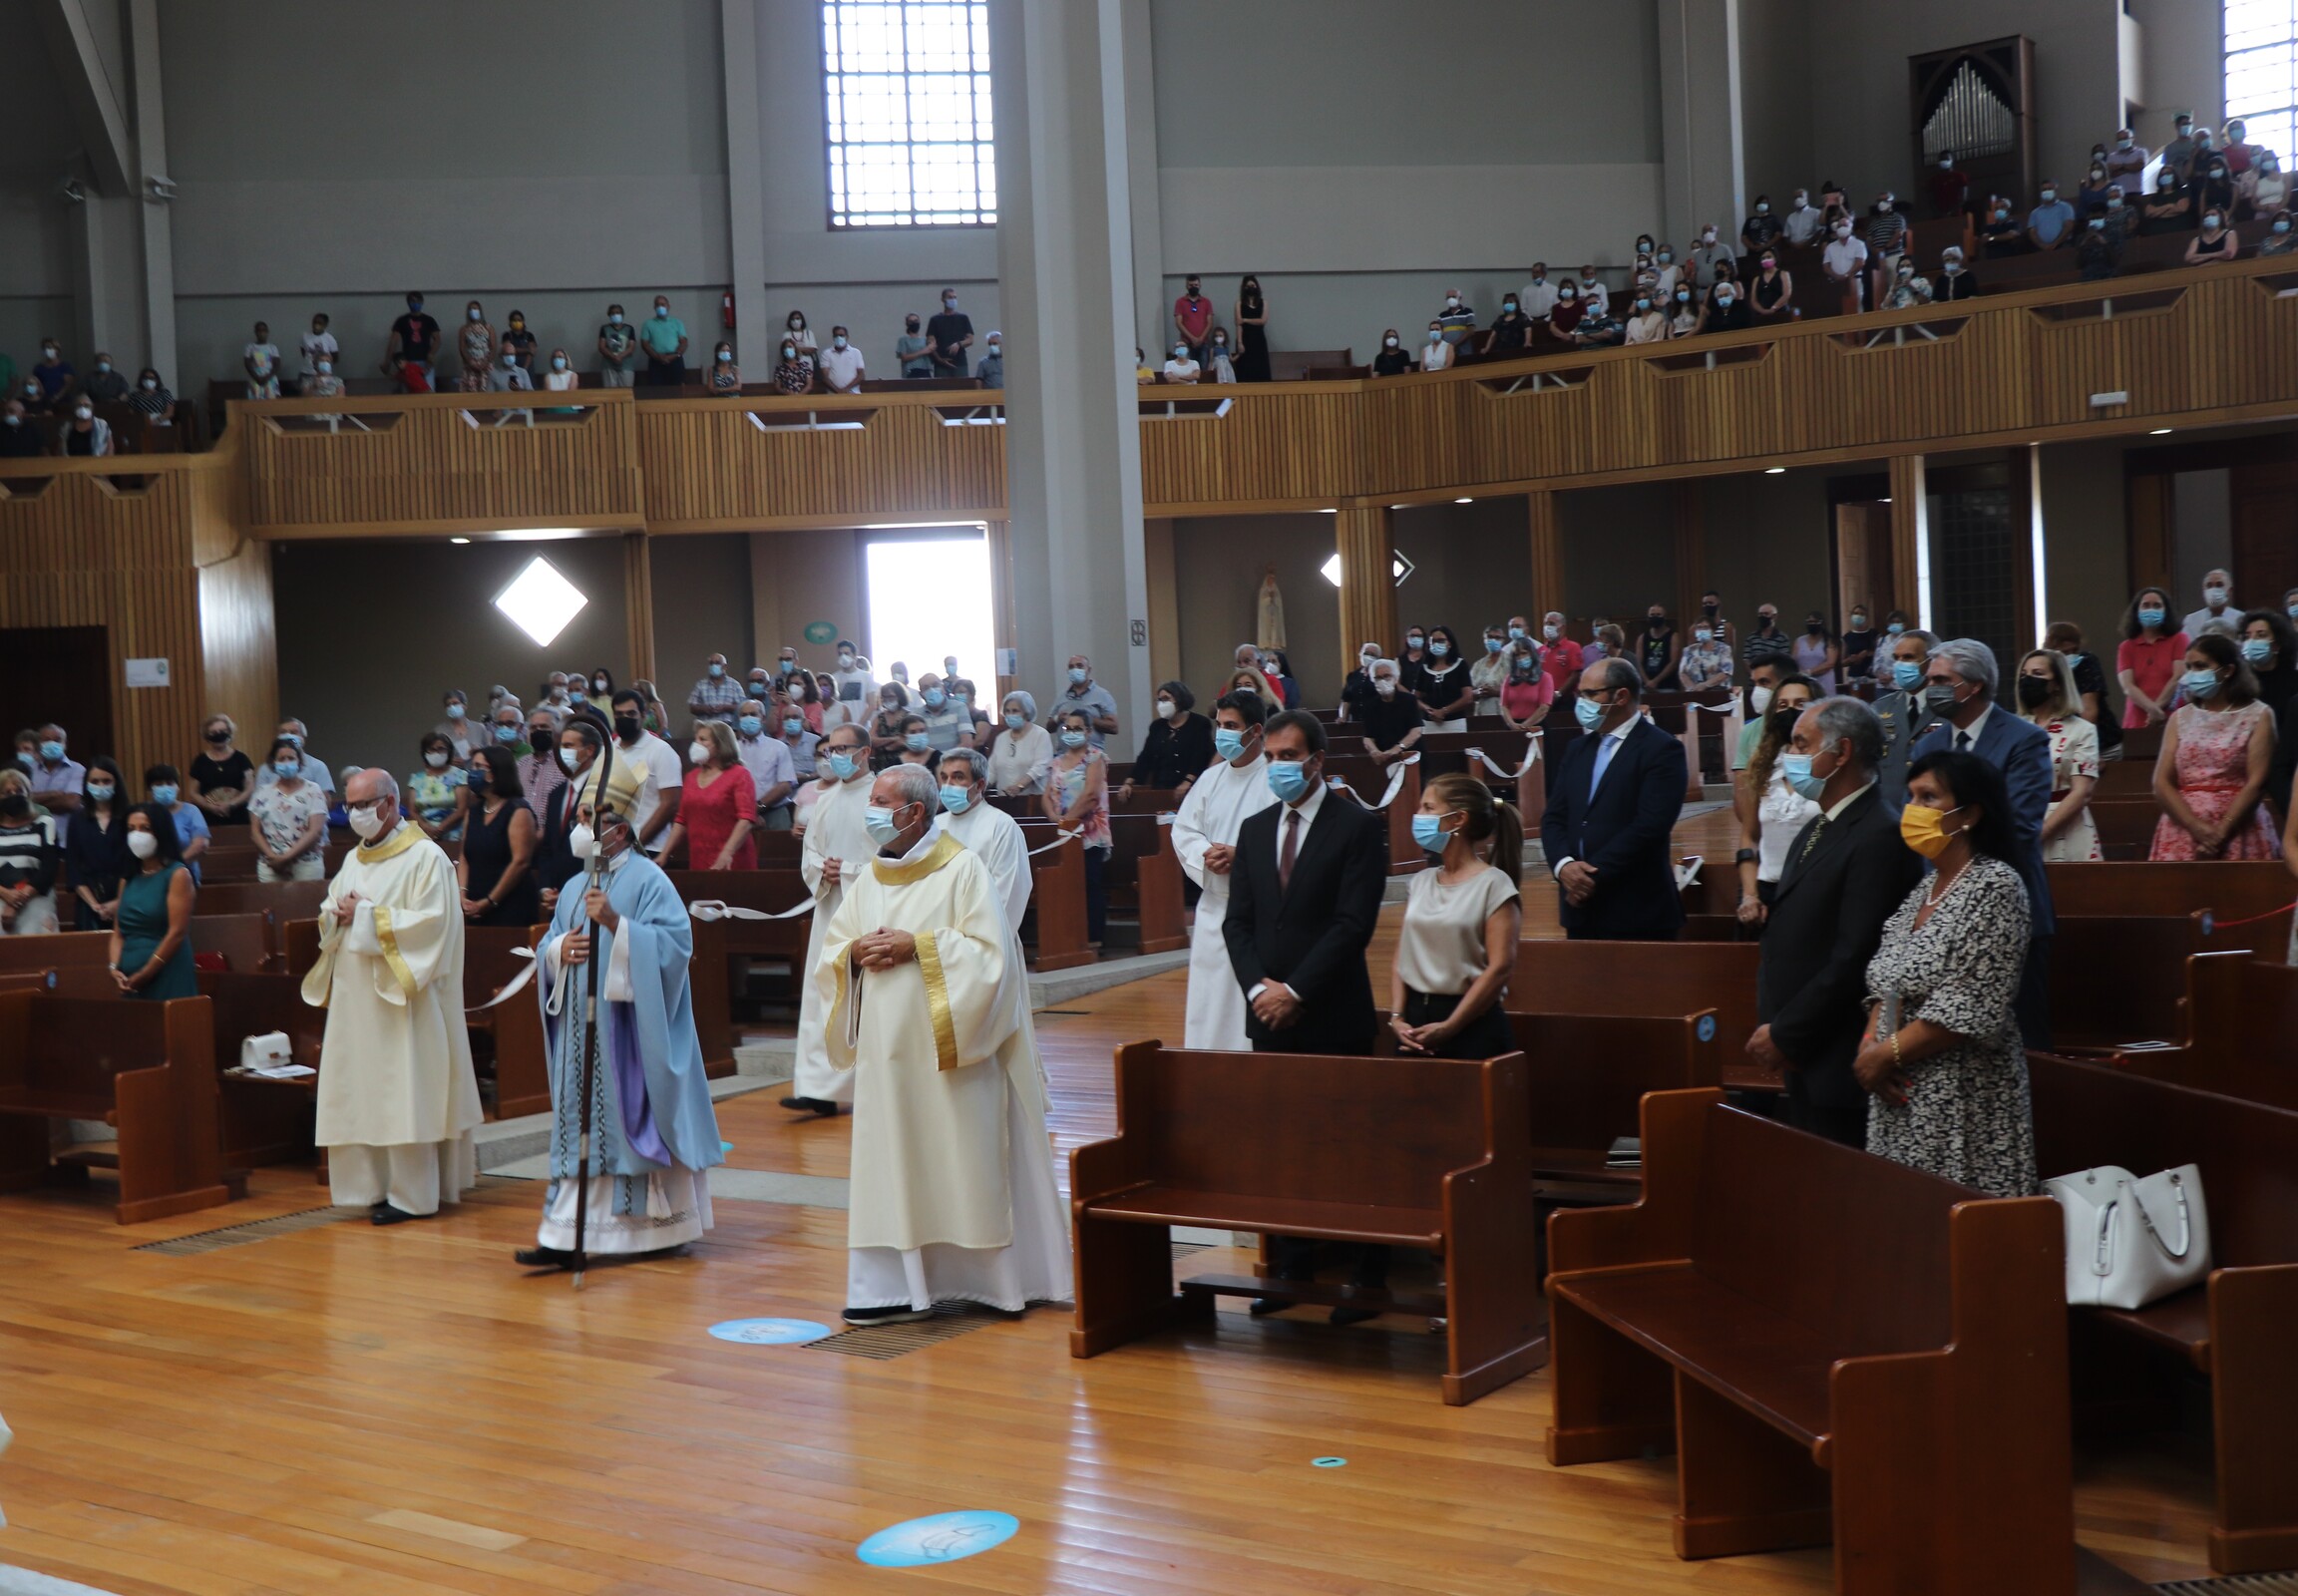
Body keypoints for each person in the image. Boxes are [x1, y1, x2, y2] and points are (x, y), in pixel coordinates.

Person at [817, 763, 1071, 1324]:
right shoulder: (871, 878)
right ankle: (888, 1288)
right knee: (893, 1164)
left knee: (959, 1158)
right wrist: (855, 955)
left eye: (882, 801)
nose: (872, 810)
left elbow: (993, 958)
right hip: (888, 1058)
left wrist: (920, 947)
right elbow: (834, 949)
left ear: (913, 813)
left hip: (949, 1056)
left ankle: (987, 1282)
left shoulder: (963, 870)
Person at [1220, 710, 1388, 1316]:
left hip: (1331, 1010)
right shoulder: (1257, 827)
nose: (1278, 767)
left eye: (1289, 757)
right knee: (1283, 1143)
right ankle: (1294, 1269)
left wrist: (1296, 991)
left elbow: (1353, 924)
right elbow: (1236, 923)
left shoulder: (1356, 828)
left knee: (1348, 1145)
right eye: (1271, 757)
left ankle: (1367, 1278)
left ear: (1318, 760)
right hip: (1266, 1015)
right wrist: (1257, 990)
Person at [519, 798, 724, 1269]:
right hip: (581, 1030)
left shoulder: (650, 880)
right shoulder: (574, 885)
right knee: (580, 1125)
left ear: (623, 829)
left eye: (593, 819)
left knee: (626, 1121)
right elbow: (552, 939)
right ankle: (563, 1233)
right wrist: (556, 951)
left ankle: (655, 1228)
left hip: (629, 1036)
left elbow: (675, 946)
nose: (582, 827)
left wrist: (617, 924)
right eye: (580, 819)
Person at [1738, 697, 1925, 1145]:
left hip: (1837, 1056)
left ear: (1841, 753)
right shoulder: (1820, 824)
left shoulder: (1879, 834)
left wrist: (1787, 1032)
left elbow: (1854, 957)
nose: (1790, 755)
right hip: (1803, 1052)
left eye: (1801, 744)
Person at [300, 770, 485, 1224]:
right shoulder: (354, 860)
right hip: (357, 998)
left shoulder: (427, 857)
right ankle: (371, 1187)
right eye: (351, 806)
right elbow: (331, 908)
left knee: (404, 1092)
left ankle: (412, 1195)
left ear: (391, 803)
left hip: (404, 1001)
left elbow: (433, 926)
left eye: (365, 805)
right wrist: (340, 915)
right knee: (362, 1092)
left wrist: (364, 916)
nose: (357, 814)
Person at [1855, 751, 2037, 1198]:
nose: (1912, 809)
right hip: (1900, 1092)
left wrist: (1884, 1056)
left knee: (1960, 1226)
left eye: (1929, 797)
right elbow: (1887, 979)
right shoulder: (1925, 889)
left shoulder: (1995, 886)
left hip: (1962, 1093)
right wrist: (1869, 1047)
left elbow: (1970, 1003)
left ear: (1970, 814)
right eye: (1910, 796)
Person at [1908, 639, 2056, 1047]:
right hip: (1941, 920)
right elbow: (1920, 830)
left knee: (2022, 1039)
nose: (1930, 686)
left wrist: (1961, 880)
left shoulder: (2024, 740)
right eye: (1929, 678)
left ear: (1973, 686)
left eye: (1940, 679)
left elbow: (2020, 826)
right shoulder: (1928, 747)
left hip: (2008, 909)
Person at [1542, 660, 1688, 940]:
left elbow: (1650, 825)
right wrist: (1563, 867)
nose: (1581, 702)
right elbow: (1554, 817)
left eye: (1590, 694)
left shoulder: (1662, 749)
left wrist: (1589, 877)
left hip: (1637, 908)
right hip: (1579, 908)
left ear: (1620, 696)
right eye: (1579, 695)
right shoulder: (1577, 749)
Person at [1171, 689, 1279, 1049]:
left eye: (1232, 726)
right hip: (1215, 907)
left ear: (1256, 730)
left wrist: (1242, 858)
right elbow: (1183, 829)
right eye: (1219, 725)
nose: (1223, 734)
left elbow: (1290, 837)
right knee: (1209, 1004)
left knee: (1247, 1004)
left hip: (1261, 913)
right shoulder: (1210, 779)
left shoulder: (1274, 778)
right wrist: (1206, 854)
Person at [1390, 773, 1523, 1060]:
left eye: (1428, 808)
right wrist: (1397, 1017)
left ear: (1458, 819)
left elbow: (1500, 968)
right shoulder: (1422, 881)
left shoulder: (1494, 884)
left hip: (1471, 1022)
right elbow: (1403, 957)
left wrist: (1451, 1026)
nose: (1418, 815)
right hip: (1414, 1023)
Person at [783, 724, 877, 1117]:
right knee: (824, 994)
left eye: (843, 749)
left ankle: (868, 1084)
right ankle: (817, 1088)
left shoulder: (883, 795)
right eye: (830, 749)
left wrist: (852, 870)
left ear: (865, 752)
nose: (834, 756)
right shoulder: (824, 800)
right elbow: (811, 853)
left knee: (864, 998)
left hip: (872, 911)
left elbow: (899, 853)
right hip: (829, 908)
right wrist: (824, 870)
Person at [2149, 632, 2280, 862]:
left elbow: (2257, 782)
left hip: (2239, 826)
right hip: (2183, 826)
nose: (2193, 674)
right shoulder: (2180, 718)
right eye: (2189, 667)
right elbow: (2161, 782)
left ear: (2228, 671)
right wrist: (2196, 827)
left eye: (2201, 666)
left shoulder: (2259, 715)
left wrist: (2220, 833)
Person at [1734, 673, 1821, 931]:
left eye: (1800, 704)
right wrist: (1749, 895)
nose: (1790, 711)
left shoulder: (1831, 767)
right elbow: (1749, 837)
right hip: (1766, 890)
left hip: (1816, 891)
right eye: (1782, 705)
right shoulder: (1761, 769)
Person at [2014, 650, 2103, 863]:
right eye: (2024, 675)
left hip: (2066, 823)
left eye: (2037, 673)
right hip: (2021, 822)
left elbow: (2082, 792)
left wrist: (2041, 832)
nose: (2028, 680)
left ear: (2056, 684)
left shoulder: (2083, 730)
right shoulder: (2013, 729)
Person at [936, 748, 1030, 934]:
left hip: (985, 937)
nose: (948, 785)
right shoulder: (934, 826)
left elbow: (1010, 893)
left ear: (979, 785)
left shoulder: (1002, 826)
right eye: (944, 777)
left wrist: (985, 940)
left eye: (958, 777)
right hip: (938, 935)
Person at [1043, 707, 1112, 947]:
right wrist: (1054, 817)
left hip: (1090, 831)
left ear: (1088, 731)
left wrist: (1069, 821)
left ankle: (1094, 939)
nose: (1071, 733)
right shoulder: (1057, 761)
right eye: (1067, 728)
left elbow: (1092, 794)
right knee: (1067, 883)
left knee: (1090, 882)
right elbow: (1047, 794)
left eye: (1077, 728)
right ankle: (1070, 936)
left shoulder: (1095, 758)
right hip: (1064, 831)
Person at [456, 746, 540, 929]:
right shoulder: (474, 810)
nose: (473, 772)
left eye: (479, 766)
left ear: (495, 773)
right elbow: (464, 856)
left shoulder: (518, 810)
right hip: (474, 901)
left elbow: (520, 862)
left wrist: (489, 901)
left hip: (510, 904)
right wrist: (462, 894)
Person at [660, 721, 755, 871]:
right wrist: (664, 854)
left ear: (720, 744)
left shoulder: (740, 775)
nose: (696, 744)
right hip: (699, 858)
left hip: (731, 860)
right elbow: (681, 819)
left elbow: (746, 819)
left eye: (703, 739)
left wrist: (727, 853)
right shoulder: (691, 777)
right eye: (696, 739)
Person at [608, 690, 683, 858]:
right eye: (619, 714)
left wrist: (635, 842)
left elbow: (670, 804)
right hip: (614, 846)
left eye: (631, 713)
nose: (624, 718)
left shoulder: (661, 751)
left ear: (643, 715)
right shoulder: (611, 749)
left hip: (650, 847)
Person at [249, 736, 329, 882]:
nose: (286, 763)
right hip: (271, 864)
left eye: (291, 758)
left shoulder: (313, 790)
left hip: (306, 864)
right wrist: (274, 858)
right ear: (273, 762)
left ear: (299, 761)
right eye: (281, 759)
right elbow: (255, 831)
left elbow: (315, 831)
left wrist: (286, 858)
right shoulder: (262, 792)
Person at [2041, 618, 2122, 761]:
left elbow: (2089, 711)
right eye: (2064, 652)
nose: (2071, 656)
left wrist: (2086, 750)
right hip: (2061, 746)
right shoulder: (2043, 671)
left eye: (2074, 650)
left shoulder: (2087, 663)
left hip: (2101, 745)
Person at [1874, 627, 1937, 809]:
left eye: (1908, 657)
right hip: (1889, 813)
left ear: (1930, 661)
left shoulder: (1948, 707)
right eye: (1897, 658)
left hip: (1932, 813)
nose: (1900, 664)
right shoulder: (1879, 709)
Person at [63, 758, 128, 930]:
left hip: (126, 896)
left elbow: (134, 863)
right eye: (95, 781)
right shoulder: (77, 819)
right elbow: (73, 866)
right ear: (86, 784)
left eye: (106, 781)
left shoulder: (129, 816)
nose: (100, 786)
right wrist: (94, 905)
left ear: (116, 783)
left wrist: (119, 902)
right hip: (89, 898)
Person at [1123, 681, 1214, 800]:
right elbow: (1146, 757)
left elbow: (1200, 756)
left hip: (1191, 788)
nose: (1162, 703)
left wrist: (1188, 781)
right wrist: (1129, 783)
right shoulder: (1157, 726)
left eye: (1166, 699)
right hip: (1161, 787)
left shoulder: (1199, 723)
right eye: (1159, 700)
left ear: (1179, 699)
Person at [2118, 586, 2189, 728]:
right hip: (2137, 722)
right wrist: (2152, 709)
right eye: (2146, 605)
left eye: (2157, 606)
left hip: (2173, 719)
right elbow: (2128, 686)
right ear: (2137, 612)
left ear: (2166, 611)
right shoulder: (2127, 647)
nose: (2151, 609)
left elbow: (2178, 677)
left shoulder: (2179, 639)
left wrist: (2156, 709)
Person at [0, 768, 60, 937]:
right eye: (6, 792)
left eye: (19, 791)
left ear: (28, 793)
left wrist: (16, 902)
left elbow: (49, 868)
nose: (13, 795)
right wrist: (5, 894)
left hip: (35, 901)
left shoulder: (44, 823)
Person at [146, 765, 210, 883]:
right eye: (159, 784)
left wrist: (171, 867)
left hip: (185, 876)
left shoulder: (191, 811)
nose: (165, 787)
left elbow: (201, 844)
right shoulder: (143, 812)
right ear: (150, 789)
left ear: (178, 787)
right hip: (150, 876)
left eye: (170, 783)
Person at [408, 732, 471, 845]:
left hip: (453, 833)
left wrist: (440, 829)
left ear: (449, 752)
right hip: (423, 833)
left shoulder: (460, 776)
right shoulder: (417, 779)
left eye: (441, 749)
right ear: (425, 753)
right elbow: (413, 811)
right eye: (431, 749)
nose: (436, 752)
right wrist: (426, 828)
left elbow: (462, 809)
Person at [192, 714, 254, 826]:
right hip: (208, 817)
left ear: (230, 732)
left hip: (238, 815)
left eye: (223, 730)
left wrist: (231, 804)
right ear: (207, 736)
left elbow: (249, 788)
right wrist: (210, 807)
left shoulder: (241, 758)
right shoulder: (200, 761)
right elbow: (193, 792)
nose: (219, 734)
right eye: (214, 732)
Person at [986, 691, 1051, 796]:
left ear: (1026, 712)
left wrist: (1019, 786)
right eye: (1007, 711)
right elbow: (992, 771)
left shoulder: (1040, 735)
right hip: (1004, 800)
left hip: (1032, 800)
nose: (1010, 715)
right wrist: (978, 788)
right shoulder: (1001, 738)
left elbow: (1040, 767)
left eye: (1015, 711)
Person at [1412, 625, 1473, 731]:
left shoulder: (1460, 665)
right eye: (1433, 641)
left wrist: (1444, 711)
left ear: (1449, 643)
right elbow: (1415, 697)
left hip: (1455, 722)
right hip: (1429, 722)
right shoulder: (1424, 667)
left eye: (1441, 640)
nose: (1436, 644)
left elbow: (1468, 697)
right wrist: (1428, 709)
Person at [1050, 655, 1119, 747]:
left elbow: (1114, 727)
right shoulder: (1062, 696)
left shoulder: (1102, 695)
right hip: (1064, 756)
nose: (1075, 669)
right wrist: (1057, 718)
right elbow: (1048, 728)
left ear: (1089, 669)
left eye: (1079, 666)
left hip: (1091, 756)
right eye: (1071, 667)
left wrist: (1087, 719)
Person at [1822, 219, 1870, 313]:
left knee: (1856, 307)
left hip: (1854, 280)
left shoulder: (1858, 244)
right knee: (1838, 309)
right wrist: (1836, 276)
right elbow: (1826, 266)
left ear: (1850, 228)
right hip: (1836, 282)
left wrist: (1848, 275)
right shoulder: (1830, 247)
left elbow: (1860, 262)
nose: (1842, 228)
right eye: (1840, 226)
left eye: (1845, 225)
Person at [640, 295, 689, 385]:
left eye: (663, 304)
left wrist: (676, 355)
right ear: (654, 307)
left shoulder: (677, 322)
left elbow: (684, 342)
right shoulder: (648, 324)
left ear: (668, 306)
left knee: (677, 389)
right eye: (658, 305)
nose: (660, 307)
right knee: (656, 391)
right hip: (656, 361)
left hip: (675, 360)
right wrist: (658, 357)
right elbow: (645, 344)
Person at [1233, 274, 1271, 381]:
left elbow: (1262, 321)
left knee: (1260, 369)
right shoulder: (1239, 303)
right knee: (1245, 369)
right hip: (1245, 339)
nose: (1251, 288)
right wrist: (1240, 342)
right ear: (1244, 288)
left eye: (1253, 285)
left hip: (1259, 339)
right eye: (1248, 286)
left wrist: (1245, 320)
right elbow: (1238, 323)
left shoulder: (1264, 303)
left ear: (1257, 286)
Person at [1791, 611, 1840, 692]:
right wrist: (1801, 673)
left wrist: (1809, 672)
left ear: (1821, 623)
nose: (1812, 624)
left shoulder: (1829, 641)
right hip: (1805, 682)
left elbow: (1830, 663)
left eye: (1815, 622)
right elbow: (1793, 660)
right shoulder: (1799, 641)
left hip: (1825, 682)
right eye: (1809, 622)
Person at [1172, 274, 1215, 363]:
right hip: (1186, 343)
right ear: (1186, 286)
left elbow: (1210, 323)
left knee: (1204, 371)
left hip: (1204, 343)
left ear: (1200, 286)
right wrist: (1192, 338)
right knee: (1187, 369)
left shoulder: (1206, 302)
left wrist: (1200, 338)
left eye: (1196, 285)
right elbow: (1179, 323)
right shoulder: (1180, 302)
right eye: (1191, 285)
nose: (1193, 287)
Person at [1636, 606, 1681, 691]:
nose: (1655, 617)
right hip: (1645, 686)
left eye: (1658, 614)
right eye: (1652, 615)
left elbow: (1674, 662)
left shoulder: (1673, 636)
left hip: (1667, 685)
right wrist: (1647, 681)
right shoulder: (1642, 637)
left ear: (1664, 617)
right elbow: (1638, 662)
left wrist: (1655, 681)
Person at [2139, 168, 2194, 236]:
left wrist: (2157, 214)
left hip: (2179, 230)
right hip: (2157, 233)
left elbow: (2182, 208)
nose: (2165, 176)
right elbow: (2148, 213)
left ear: (2174, 176)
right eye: (2162, 174)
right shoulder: (2155, 197)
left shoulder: (2182, 192)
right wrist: (2169, 206)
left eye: (2168, 173)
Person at [2025, 180, 2076, 251]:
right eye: (2044, 190)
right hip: (2041, 249)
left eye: (2049, 189)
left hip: (2063, 245)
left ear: (2055, 190)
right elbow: (2032, 232)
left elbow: (2068, 227)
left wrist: (2056, 243)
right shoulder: (2035, 213)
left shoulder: (2065, 207)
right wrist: (2042, 245)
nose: (2047, 191)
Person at [815, 324, 866, 393]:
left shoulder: (856, 352)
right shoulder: (827, 353)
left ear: (847, 337)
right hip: (833, 394)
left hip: (853, 393)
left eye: (841, 335)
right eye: (836, 335)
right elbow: (824, 377)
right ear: (833, 338)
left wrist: (846, 389)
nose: (839, 337)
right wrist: (837, 391)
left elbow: (861, 375)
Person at [596, 303, 637, 387]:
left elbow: (631, 347)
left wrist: (621, 356)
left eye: (618, 313)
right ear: (609, 315)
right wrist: (613, 357)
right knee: (610, 393)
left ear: (622, 314)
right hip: (609, 365)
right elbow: (602, 347)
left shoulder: (629, 329)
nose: (615, 315)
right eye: (613, 313)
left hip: (626, 365)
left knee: (626, 392)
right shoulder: (605, 329)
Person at [243, 321, 282, 400]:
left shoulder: (272, 347)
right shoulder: (250, 347)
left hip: (270, 379)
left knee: (271, 405)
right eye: (259, 330)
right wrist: (256, 377)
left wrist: (267, 377)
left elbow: (277, 364)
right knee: (255, 406)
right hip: (255, 379)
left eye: (264, 330)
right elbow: (247, 363)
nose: (262, 333)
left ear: (267, 332)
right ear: (255, 332)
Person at [1839, 605, 1878, 682]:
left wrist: (1866, 653)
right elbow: (1841, 662)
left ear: (1866, 617)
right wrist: (1850, 659)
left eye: (1861, 614)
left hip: (1871, 676)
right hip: (1854, 677)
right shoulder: (1847, 637)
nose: (1858, 616)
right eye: (1856, 613)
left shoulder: (1874, 634)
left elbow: (1881, 653)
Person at [2106, 128, 2148, 196]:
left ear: (2132, 138)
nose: (2122, 141)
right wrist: (2130, 168)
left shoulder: (2140, 152)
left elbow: (2139, 166)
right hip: (2118, 195)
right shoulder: (2112, 156)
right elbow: (2111, 174)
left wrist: (2120, 167)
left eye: (2125, 138)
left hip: (2136, 192)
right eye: (2120, 139)